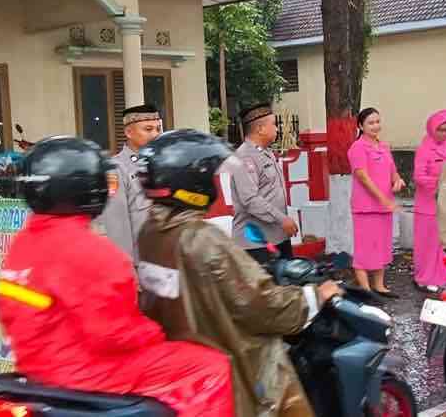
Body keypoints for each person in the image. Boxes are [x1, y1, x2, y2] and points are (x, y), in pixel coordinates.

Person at [0, 136, 234, 417]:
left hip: (37, 365)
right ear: (87, 189)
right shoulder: (93, 252)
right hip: (87, 370)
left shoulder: (23, 245)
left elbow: (12, 310)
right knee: (212, 365)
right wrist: (157, 333)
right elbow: (114, 334)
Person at [137, 129, 342, 417]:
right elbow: (261, 305)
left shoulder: (151, 233)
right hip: (238, 363)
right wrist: (315, 296)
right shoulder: (202, 239)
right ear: (192, 183)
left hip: (187, 364)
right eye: (210, 177)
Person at [230, 103, 297, 264]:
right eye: (273, 124)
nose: (277, 129)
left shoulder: (266, 152)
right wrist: (282, 219)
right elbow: (250, 200)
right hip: (256, 244)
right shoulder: (244, 157)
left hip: (277, 237)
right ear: (260, 129)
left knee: (287, 285)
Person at [348, 107, 405, 297]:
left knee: (381, 247)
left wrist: (397, 181)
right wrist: (383, 199)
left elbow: (393, 171)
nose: (375, 126)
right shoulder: (357, 148)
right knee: (365, 249)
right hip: (366, 208)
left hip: (384, 207)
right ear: (361, 126)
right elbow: (363, 177)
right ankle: (365, 289)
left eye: (377, 122)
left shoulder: (384, 146)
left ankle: (379, 286)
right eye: (370, 123)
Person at [99, 105, 162, 267]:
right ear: (129, 133)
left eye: (158, 129)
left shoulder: (162, 164)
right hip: (140, 265)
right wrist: (127, 268)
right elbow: (117, 226)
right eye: (148, 129)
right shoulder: (115, 169)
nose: (155, 135)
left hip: (166, 262)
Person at [412, 109, 446, 290]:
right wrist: (440, 184)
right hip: (427, 206)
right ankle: (425, 277)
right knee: (427, 245)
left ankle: (444, 276)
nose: (444, 134)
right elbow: (419, 176)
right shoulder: (424, 149)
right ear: (432, 129)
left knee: (444, 244)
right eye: (440, 130)